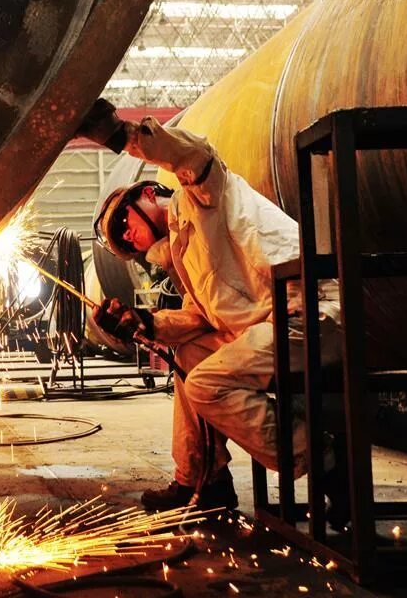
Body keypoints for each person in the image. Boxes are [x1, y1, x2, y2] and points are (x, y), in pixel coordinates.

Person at [88, 113, 348, 525]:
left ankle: (325, 459)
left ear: (150, 194)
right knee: (190, 355)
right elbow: (200, 317)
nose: (128, 235)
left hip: (308, 313)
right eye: (122, 240)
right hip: (266, 325)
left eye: (124, 221)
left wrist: (119, 134)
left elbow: (193, 154)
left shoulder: (201, 194)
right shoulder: (182, 255)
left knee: (207, 385)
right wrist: (144, 322)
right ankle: (204, 481)